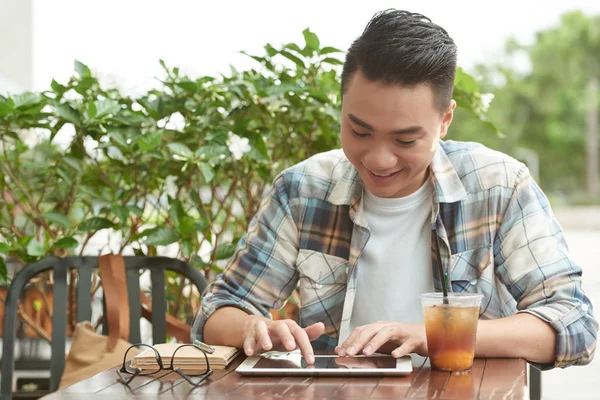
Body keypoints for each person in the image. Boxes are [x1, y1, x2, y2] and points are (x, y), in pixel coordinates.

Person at [191, 9, 598, 369]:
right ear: (342, 106)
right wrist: (254, 327)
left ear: (445, 121)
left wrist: (434, 335)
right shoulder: (302, 190)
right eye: (359, 131)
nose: (379, 159)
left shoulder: (499, 185)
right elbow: (214, 314)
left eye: (405, 140)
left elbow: (574, 324)